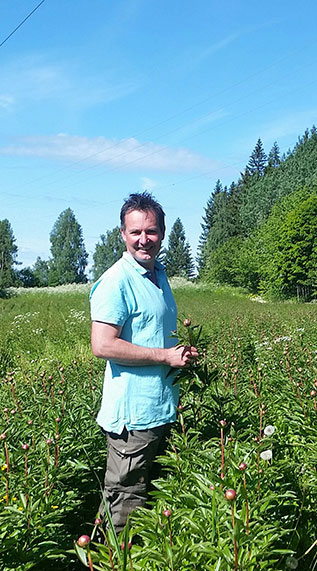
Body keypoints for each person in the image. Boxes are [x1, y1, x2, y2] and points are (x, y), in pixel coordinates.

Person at [90, 192, 198, 534]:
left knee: (149, 500)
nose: (143, 239)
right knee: (124, 503)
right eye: (135, 231)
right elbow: (103, 345)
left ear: (163, 233)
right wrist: (165, 356)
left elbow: (150, 335)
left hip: (161, 409)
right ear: (122, 234)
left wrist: (179, 353)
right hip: (133, 419)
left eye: (151, 231)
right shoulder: (116, 281)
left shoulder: (158, 274)